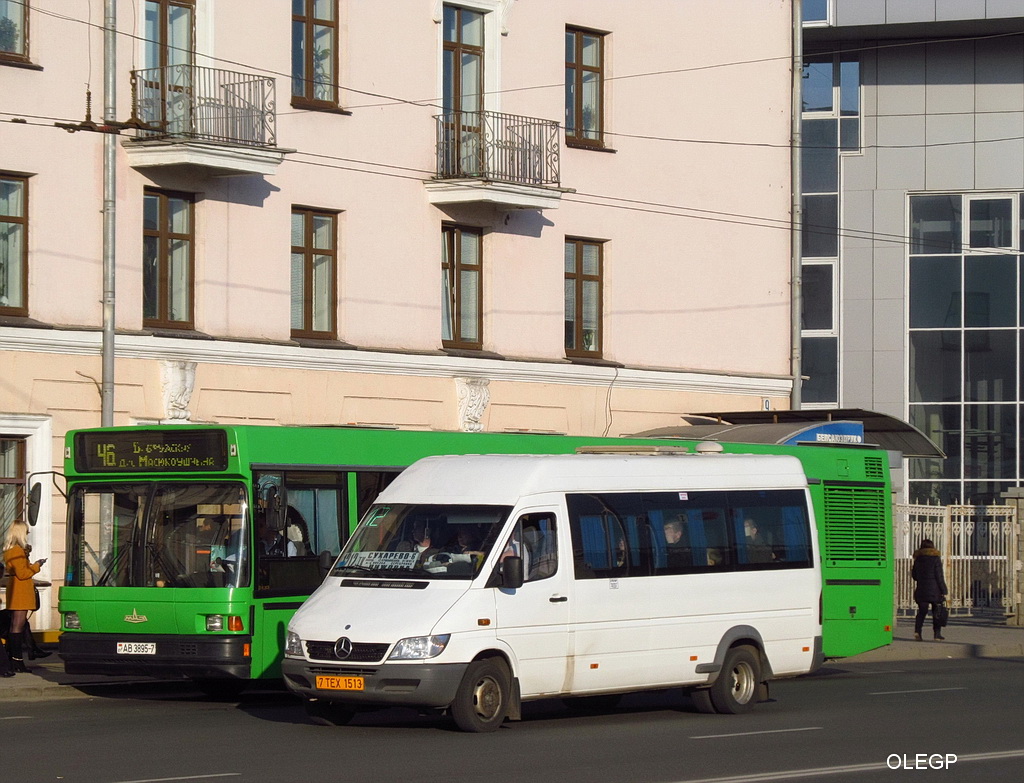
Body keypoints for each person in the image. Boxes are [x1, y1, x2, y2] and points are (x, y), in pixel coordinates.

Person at [3, 520, 46, 673]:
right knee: (17, 627)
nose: (28, 533)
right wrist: (36, 566)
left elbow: (19, 570)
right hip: (20, 591)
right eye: (26, 531)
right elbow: (23, 574)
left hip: (16, 590)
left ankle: (15, 660)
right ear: (20, 532)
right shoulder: (16, 551)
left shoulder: (11, 550)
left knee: (17, 625)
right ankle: (17, 661)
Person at [911, 538, 948, 641]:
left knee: (922, 612)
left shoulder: (918, 559)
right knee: (937, 612)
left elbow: (914, 576)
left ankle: (917, 631)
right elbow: (939, 576)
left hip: (921, 590)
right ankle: (937, 634)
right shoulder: (935, 559)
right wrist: (944, 590)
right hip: (934, 590)